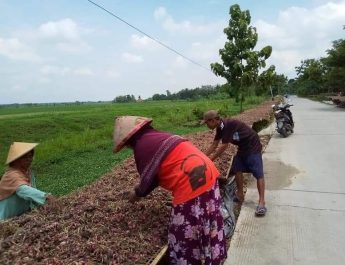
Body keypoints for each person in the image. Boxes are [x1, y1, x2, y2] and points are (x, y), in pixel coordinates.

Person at [113, 116, 227, 265]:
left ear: (130, 140)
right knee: (208, 218)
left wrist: (136, 194)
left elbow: (149, 180)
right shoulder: (159, 135)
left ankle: (191, 260)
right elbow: (157, 172)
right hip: (208, 173)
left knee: (183, 235)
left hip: (191, 182)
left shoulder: (141, 146)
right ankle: (210, 256)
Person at [202, 110, 267, 217]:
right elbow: (214, 145)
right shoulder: (220, 128)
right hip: (242, 148)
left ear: (213, 120)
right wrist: (202, 157)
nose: (207, 125)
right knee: (237, 168)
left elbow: (224, 146)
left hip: (253, 146)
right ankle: (240, 195)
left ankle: (261, 202)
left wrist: (210, 160)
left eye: (207, 123)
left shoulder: (228, 124)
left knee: (258, 173)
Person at [0, 142, 52, 220]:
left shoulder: (28, 173)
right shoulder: (11, 175)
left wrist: (43, 206)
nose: (29, 159)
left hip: (21, 217)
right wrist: (45, 197)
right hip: (6, 220)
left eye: (30, 156)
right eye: (25, 157)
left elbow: (33, 191)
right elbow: (23, 190)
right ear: (16, 160)